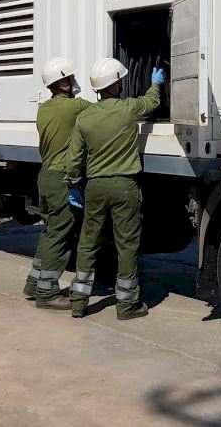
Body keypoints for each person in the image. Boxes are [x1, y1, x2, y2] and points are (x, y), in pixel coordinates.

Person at [64, 58, 164, 320]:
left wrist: (73, 184)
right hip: (124, 187)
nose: (121, 83)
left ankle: (78, 302)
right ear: (113, 85)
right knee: (127, 245)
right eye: (118, 80)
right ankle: (127, 305)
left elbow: (74, 159)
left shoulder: (84, 118)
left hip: (95, 187)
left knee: (88, 243)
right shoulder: (127, 109)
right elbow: (151, 102)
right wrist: (155, 84)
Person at [23, 58, 92, 311]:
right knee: (60, 236)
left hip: (46, 177)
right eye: (70, 78)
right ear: (62, 84)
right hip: (61, 179)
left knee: (50, 231)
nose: (74, 81)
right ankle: (47, 293)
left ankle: (34, 283)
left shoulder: (44, 108)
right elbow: (105, 110)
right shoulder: (74, 107)